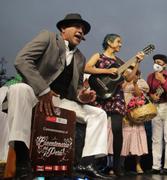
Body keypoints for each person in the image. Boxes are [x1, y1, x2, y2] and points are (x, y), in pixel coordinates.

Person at [7, 13, 109, 179]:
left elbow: (75, 90)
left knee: (98, 114)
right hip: (35, 93)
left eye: (83, 29)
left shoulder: (80, 58)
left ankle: (86, 164)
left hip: (60, 101)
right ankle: (22, 162)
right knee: (18, 89)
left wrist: (83, 96)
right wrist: (44, 90)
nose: (81, 31)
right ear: (63, 29)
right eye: (77, 27)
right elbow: (22, 60)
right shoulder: (48, 37)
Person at [84, 33, 144, 176]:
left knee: (118, 131)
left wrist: (137, 62)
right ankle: (90, 163)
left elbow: (129, 78)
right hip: (99, 95)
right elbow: (87, 68)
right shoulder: (98, 56)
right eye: (118, 41)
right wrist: (107, 70)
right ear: (109, 42)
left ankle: (117, 166)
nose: (120, 44)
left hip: (116, 96)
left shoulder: (120, 62)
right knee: (96, 130)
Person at [147, 54, 167, 175]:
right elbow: (148, 91)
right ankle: (156, 166)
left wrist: (163, 81)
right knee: (156, 139)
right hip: (156, 108)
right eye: (155, 62)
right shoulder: (150, 76)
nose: (156, 64)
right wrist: (151, 96)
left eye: (159, 62)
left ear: (165, 64)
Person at [122, 66, 149, 174]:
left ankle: (138, 165)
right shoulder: (121, 81)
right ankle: (119, 165)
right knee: (122, 138)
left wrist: (134, 82)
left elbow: (139, 95)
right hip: (121, 110)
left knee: (137, 138)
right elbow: (119, 90)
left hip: (135, 111)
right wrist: (126, 80)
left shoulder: (140, 82)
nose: (130, 74)